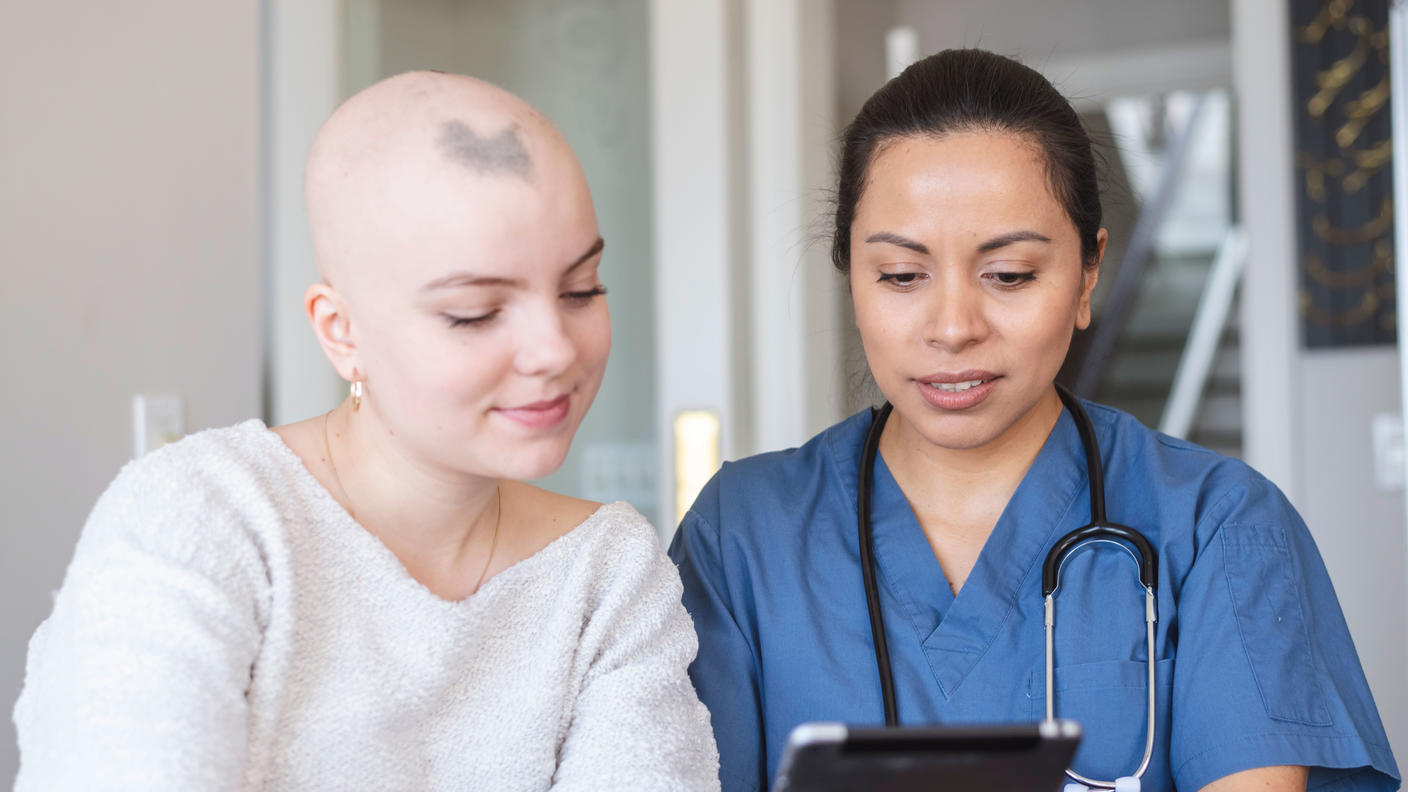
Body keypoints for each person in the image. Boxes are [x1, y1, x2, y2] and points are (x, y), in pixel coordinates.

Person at [669, 49, 1398, 792]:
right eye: (900, 276)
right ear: (851, 275)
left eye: (1009, 274)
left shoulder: (1217, 524)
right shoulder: (742, 539)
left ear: (1088, 274)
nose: (953, 327)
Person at [14, 71, 719, 791]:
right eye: (475, 311)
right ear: (341, 331)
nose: (556, 349)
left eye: (581, 290)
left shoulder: (607, 571)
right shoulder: (202, 520)